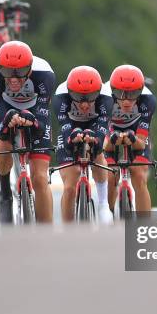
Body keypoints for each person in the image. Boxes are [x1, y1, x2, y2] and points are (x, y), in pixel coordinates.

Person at [0, 41, 56, 223]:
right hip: (4, 108)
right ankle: (5, 191)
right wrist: (8, 122)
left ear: (30, 70)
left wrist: (32, 121)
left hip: (34, 111)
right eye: (8, 73)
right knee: (2, 144)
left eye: (20, 73)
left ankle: (45, 232)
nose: (14, 79)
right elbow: (0, 128)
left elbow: (41, 122)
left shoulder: (45, 75)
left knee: (40, 178)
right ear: (1, 69)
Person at [52, 66, 114, 223]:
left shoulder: (106, 97)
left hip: (94, 126)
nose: (85, 105)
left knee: (98, 153)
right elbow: (65, 132)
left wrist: (95, 141)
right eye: (79, 98)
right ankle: (68, 229)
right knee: (69, 186)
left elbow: (101, 135)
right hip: (71, 127)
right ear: (70, 92)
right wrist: (72, 139)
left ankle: (103, 204)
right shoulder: (61, 95)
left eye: (91, 97)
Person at [103, 65, 156, 213]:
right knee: (111, 174)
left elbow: (140, 143)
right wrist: (112, 140)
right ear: (113, 91)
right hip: (112, 128)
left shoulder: (148, 99)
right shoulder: (104, 97)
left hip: (136, 129)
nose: (126, 101)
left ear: (140, 92)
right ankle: (109, 213)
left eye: (132, 95)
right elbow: (105, 145)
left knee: (139, 176)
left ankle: (143, 227)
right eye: (120, 94)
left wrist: (132, 139)